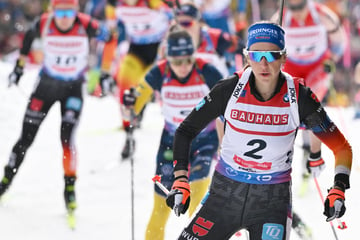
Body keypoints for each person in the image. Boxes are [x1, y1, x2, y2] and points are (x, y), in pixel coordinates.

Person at [165, 21, 352, 240]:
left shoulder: (299, 98)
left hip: (271, 200)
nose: (264, 64)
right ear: (247, 57)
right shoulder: (228, 90)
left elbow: (341, 147)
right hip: (225, 193)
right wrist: (180, 179)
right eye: (256, 55)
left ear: (284, 57)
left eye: (272, 55)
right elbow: (186, 130)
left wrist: (339, 187)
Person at [0, 0, 116, 215]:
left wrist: (106, 71)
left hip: (72, 89)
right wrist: (19, 66)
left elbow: (111, 39)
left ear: (76, 11)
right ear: (52, 11)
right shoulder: (44, 22)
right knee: (26, 138)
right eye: (59, 11)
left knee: (67, 139)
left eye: (69, 12)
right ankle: (6, 180)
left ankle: (69, 188)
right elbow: (27, 38)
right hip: (45, 87)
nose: (63, 17)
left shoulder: (86, 24)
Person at [122, 28, 223, 240]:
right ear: (168, 60)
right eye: (177, 62)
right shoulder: (158, 73)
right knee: (161, 206)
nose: (184, 67)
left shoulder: (207, 72)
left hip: (205, 139)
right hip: (172, 141)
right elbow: (131, 111)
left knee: (196, 196)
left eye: (188, 60)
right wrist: (129, 103)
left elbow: (229, 106)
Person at [272, 0, 347, 185]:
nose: (297, 13)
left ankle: (312, 152)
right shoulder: (281, 17)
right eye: (292, 8)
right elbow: (270, 42)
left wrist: (332, 59)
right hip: (292, 65)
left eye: (300, 8)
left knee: (311, 101)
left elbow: (340, 40)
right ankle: (295, 148)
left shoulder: (322, 15)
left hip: (317, 66)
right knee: (291, 105)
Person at [105, 0, 172, 159]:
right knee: (125, 88)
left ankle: (175, 139)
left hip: (159, 50)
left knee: (157, 90)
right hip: (136, 50)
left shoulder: (152, 2)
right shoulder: (114, 5)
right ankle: (128, 136)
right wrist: (105, 69)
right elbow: (110, 36)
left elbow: (175, 19)